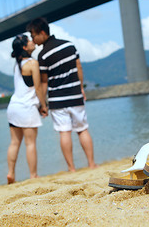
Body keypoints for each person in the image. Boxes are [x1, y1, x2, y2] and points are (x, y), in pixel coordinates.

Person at [26, 17, 98, 172]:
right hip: (75, 95)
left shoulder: (43, 55)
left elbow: (44, 82)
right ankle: (92, 164)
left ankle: (71, 168)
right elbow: (79, 68)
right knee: (82, 130)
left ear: (42, 33)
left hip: (57, 100)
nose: (32, 39)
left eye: (33, 35)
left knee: (64, 133)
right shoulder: (69, 46)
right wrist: (81, 88)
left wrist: (43, 103)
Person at [6, 34, 48, 184]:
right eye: (29, 41)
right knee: (30, 143)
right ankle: (33, 175)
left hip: (13, 107)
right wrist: (43, 105)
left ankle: (11, 173)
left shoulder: (17, 64)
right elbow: (37, 87)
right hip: (27, 107)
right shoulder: (32, 63)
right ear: (25, 47)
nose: (32, 42)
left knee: (14, 142)